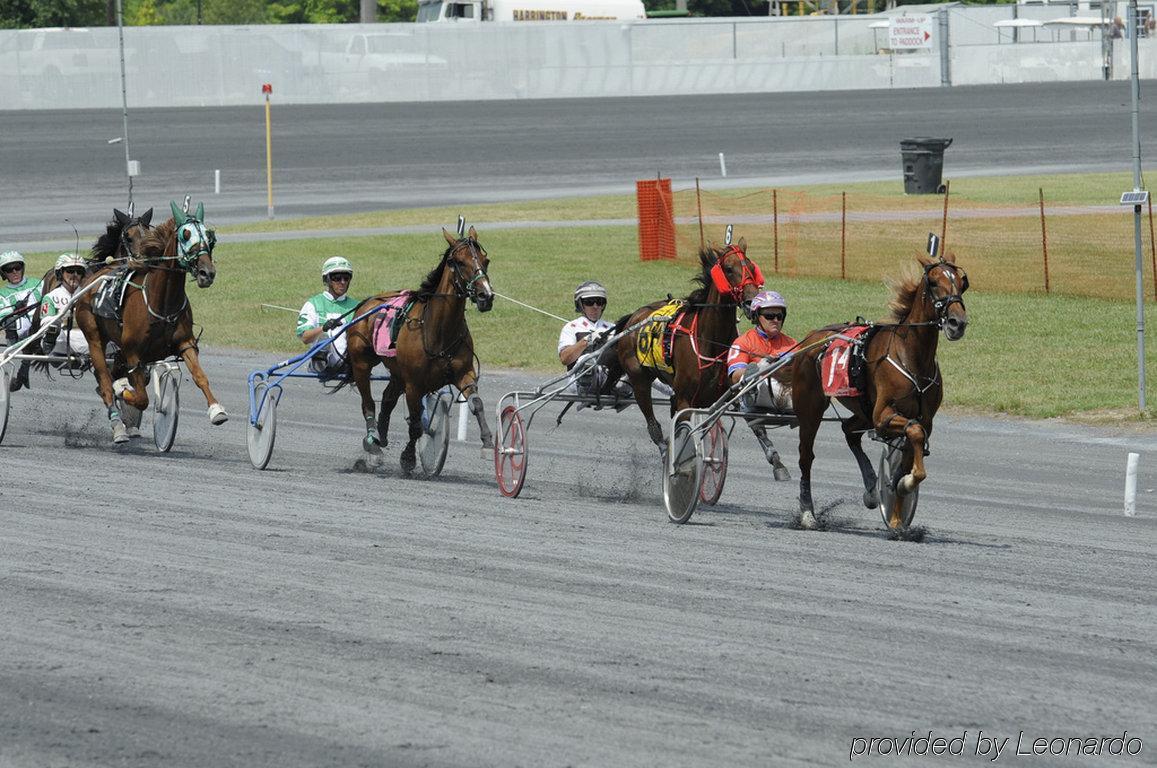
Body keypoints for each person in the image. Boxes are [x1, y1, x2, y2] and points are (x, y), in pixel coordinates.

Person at [726, 290, 797, 479]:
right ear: (757, 317)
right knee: (759, 370)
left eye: (779, 316)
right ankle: (754, 385)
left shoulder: (792, 344)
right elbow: (735, 376)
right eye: (769, 316)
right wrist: (759, 368)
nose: (775, 320)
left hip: (790, 397)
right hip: (757, 398)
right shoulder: (743, 342)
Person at [297, 256, 360, 376]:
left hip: (349, 360)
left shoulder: (357, 306)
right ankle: (320, 365)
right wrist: (324, 328)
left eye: (346, 278)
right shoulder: (313, 304)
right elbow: (305, 338)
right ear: (327, 280)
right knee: (324, 338)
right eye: (337, 278)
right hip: (324, 363)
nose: (342, 282)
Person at [559, 280, 616, 397]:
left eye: (599, 302)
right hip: (577, 380)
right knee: (587, 359)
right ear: (581, 304)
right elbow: (565, 358)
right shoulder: (571, 327)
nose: (595, 306)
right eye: (589, 302)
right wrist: (587, 340)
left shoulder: (612, 328)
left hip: (609, 378)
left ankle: (665, 387)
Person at [0, 250, 44, 391]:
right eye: (9, 269)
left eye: (17, 267)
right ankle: (19, 361)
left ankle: (24, 370)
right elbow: (3, 316)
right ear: (3, 274)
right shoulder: (2, 294)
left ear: (22, 268)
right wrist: (15, 310)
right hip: (21, 334)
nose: (14, 272)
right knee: (13, 322)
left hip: (43, 325)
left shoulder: (38, 284)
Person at [39, 253, 90, 359]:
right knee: (52, 325)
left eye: (79, 271)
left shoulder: (89, 295)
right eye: (70, 270)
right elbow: (45, 322)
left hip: (87, 341)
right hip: (61, 342)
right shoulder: (51, 297)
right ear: (60, 273)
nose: (75, 275)